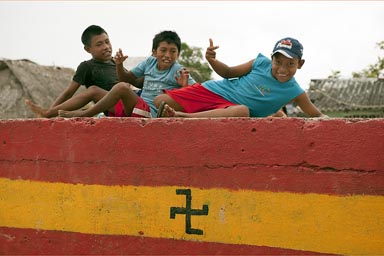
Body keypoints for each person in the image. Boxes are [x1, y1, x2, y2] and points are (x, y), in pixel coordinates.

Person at [154, 37, 328, 118]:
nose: (282, 68)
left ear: (300, 64)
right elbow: (228, 72)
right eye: (278, 61)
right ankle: (196, 115)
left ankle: (183, 117)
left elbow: (318, 115)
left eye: (290, 64)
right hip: (215, 91)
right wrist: (212, 60)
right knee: (160, 101)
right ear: (272, 58)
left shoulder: (295, 91)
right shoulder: (260, 63)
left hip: (232, 110)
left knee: (242, 111)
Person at [58, 30, 195, 118]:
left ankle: (87, 113)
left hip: (151, 115)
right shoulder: (149, 62)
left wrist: (183, 88)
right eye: (163, 50)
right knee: (99, 89)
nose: (167, 55)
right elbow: (127, 79)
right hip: (136, 106)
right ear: (154, 52)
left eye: (173, 51)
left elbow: (199, 94)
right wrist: (119, 65)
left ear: (178, 54)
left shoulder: (179, 71)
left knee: (122, 87)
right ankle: (49, 113)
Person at [24, 25, 139, 118]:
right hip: (117, 109)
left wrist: (120, 66)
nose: (106, 47)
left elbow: (131, 83)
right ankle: (48, 113)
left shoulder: (116, 63)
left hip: (134, 106)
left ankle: (49, 113)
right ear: (87, 49)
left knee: (122, 86)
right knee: (93, 90)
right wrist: (50, 112)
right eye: (99, 44)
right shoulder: (87, 67)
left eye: (107, 42)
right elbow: (68, 93)